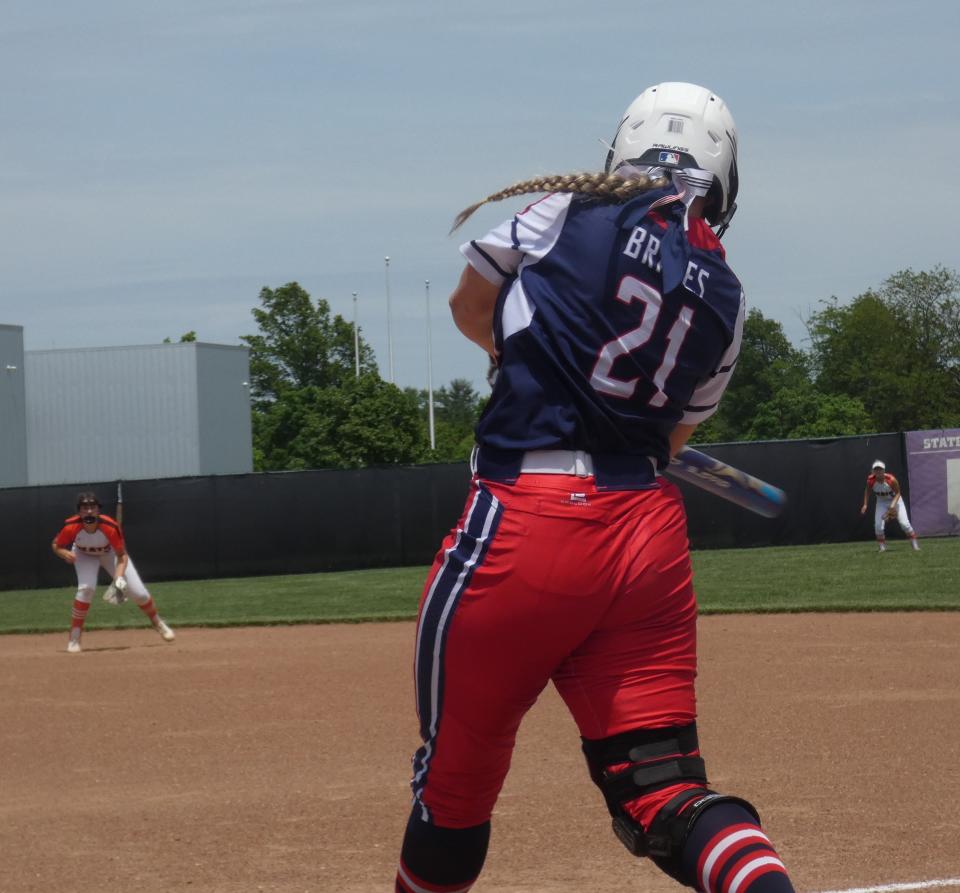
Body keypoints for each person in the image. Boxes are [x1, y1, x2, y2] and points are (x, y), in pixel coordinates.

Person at [394, 83, 795, 893]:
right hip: (645, 537)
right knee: (665, 787)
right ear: (725, 178)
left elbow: (470, 304)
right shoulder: (727, 292)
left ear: (624, 149)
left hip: (527, 520)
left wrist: (521, 354)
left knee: (455, 793)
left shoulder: (571, 207)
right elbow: (672, 439)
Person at [51, 491, 176, 653]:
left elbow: (122, 555)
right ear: (79, 511)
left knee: (140, 594)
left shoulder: (109, 526)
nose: (89, 511)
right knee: (86, 589)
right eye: (84, 507)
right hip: (84, 555)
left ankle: (157, 622)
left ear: (98, 510)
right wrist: (62, 553)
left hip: (110, 554)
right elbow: (56, 544)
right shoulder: (71, 526)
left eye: (92, 507)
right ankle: (74, 637)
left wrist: (118, 578)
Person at [860, 459, 920, 551]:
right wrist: (865, 504)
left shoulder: (891, 479)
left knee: (905, 524)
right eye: (876, 469)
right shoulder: (871, 480)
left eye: (880, 469)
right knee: (878, 526)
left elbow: (898, 493)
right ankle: (882, 547)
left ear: (884, 470)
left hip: (896, 500)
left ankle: (914, 544)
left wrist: (892, 506)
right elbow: (867, 491)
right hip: (881, 502)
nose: (878, 471)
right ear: (873, 471)